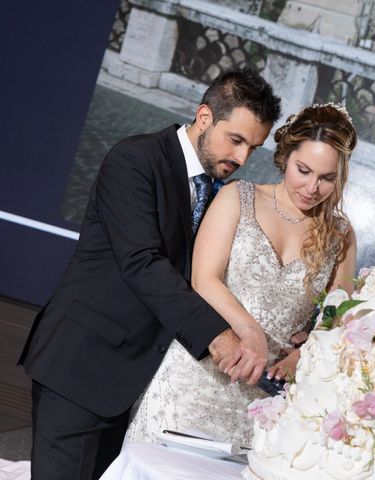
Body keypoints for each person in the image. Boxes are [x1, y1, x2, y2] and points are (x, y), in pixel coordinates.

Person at [18, 68, 281, 480]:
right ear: (205, 116)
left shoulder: (218, 191)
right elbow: (143, 264)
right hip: (81, 368)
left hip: (137, 384)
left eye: (255, 147)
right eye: (237, 139)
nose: (243, 158)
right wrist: (218, 336)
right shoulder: (135, 159)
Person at [124, 103, 358, 447]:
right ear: (286, 157)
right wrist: (249, 330)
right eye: (303, 170)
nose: (311, 187)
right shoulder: (238, 196)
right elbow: (204, 280)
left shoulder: (340, 233)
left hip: (265, 400)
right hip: (196, 376)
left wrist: (304, 355)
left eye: (326, 178)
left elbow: (338, 315)